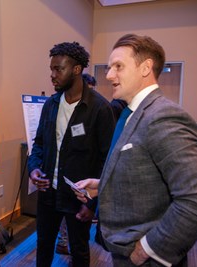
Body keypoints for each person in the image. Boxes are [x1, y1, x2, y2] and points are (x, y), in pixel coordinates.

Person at [74, 34, 197, 267]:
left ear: (145, 68)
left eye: (118, 66)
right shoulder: (132, 114)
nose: (109, 74)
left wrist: (147, 249)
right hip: (124, 250)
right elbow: (146, 178)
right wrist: (102, 185)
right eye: (110, 67)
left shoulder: (162, 116)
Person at [28, 41, 117, 266]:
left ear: (76, 70)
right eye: (51, 69)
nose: (53, 74)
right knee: (44, 245)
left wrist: (91, 205)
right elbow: (38, 144)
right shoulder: (51, 105)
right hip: (48, 192)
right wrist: (34, 168)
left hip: (78, 198)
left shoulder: (100, 109)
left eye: (59, 69)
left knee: (79, 249)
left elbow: (107, 160)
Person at [54, 72, 101, 255]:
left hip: (84, 186)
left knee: (80, 245)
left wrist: (92, 202)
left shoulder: (99, 109)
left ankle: (68, 245)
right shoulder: (55, 105)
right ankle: (63, 242)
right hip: (64, 185)